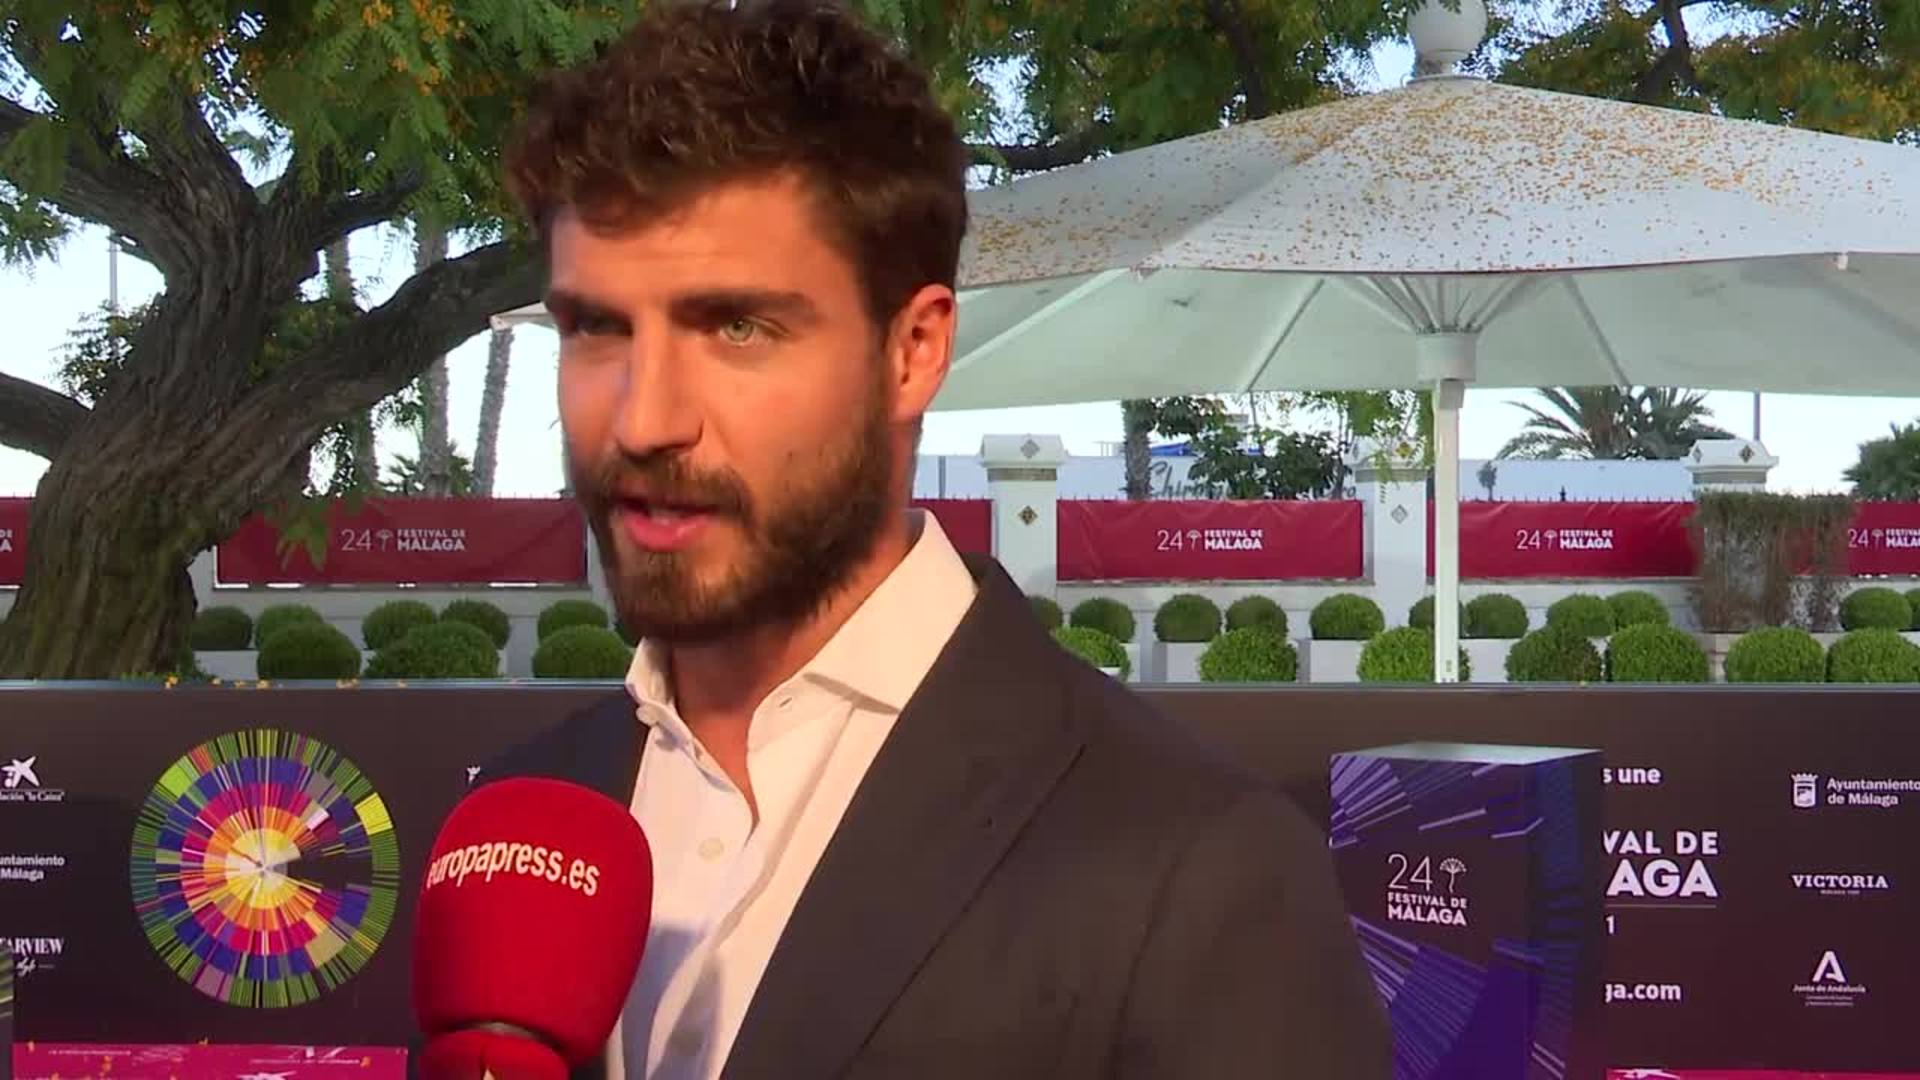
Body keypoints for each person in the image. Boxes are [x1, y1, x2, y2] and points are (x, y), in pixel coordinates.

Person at [487, 1, 1392, 1077]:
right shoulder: (515, 828)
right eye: (596, 327)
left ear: (912, 351)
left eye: (737, 327)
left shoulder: (1199, 869)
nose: (644, 421)